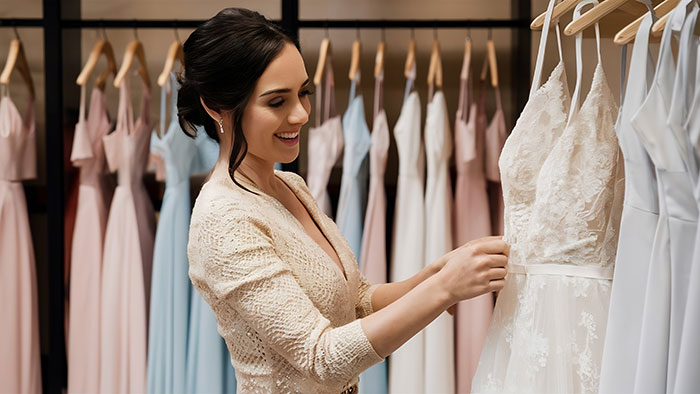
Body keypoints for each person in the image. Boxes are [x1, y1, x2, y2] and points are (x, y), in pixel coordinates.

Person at [179, 8, 509, 394]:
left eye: (304, 93)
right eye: (276, 102)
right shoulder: (223, 219)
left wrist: (436, 274)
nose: (301, 114)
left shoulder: (291, 185)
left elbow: (357, 303)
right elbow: (323, 357)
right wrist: (444, 290)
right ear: (216, 106)